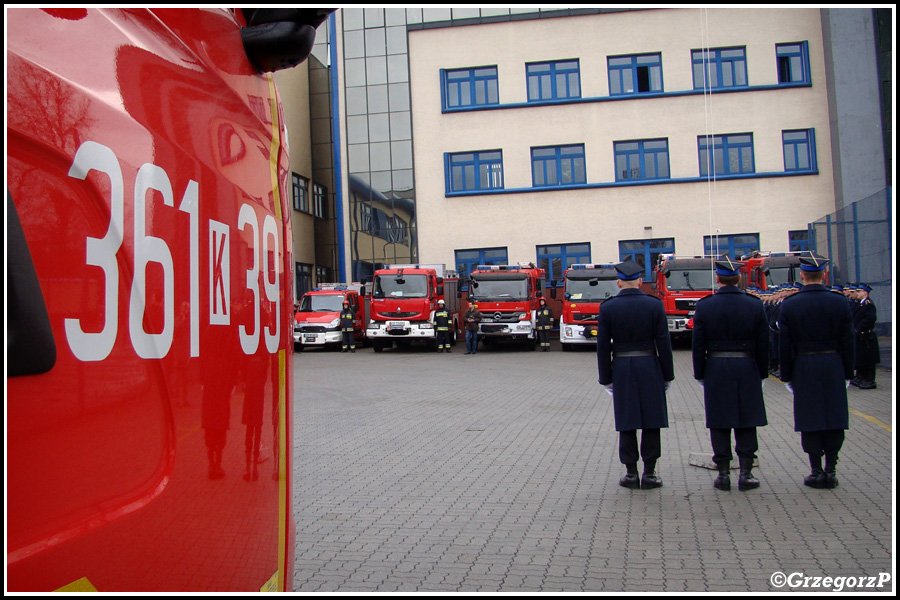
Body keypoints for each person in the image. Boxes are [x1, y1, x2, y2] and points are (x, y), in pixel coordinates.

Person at [692, 257, 769, 491]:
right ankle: (746, 473)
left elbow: (698, 345)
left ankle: (723, 473)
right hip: (747, 366)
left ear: (718, 279)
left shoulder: (705, 305)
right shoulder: (754, 305)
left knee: (719, 420)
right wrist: (763, 373)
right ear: (739, 279)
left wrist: (700, 373)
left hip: (716, 367)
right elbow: (764, 343)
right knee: (747, 419)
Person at [777, 255, 854, 489]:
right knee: (834, 416)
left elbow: (784, 344)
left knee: (810, 418)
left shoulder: (790, 304)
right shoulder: (839, 302)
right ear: (824, 275)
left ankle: (816, 470)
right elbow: (848, 340)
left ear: (802, 275)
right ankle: (831, 469)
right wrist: (848, 372)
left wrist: (787, 375)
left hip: (804, 365)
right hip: (833, 363)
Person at [597, 260, 674, 489]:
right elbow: (664, 342)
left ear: (618, 282)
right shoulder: (654, 305)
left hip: (622, 367)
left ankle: (631, 473)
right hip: (650, 365)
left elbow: (602, 347)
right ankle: (650, 473)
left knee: (627, 420)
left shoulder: (607, 308)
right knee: (652, 420)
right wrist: (667, 375)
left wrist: (606, 378)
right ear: (640, 281)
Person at [851, 283, 880, 389]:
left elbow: (870, 318)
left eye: (859, 291)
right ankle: (862, 376)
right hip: (860, 335)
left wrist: (858, 328)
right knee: (862, 357)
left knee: (869, 358)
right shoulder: (860, 304)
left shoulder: (868, 304)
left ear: (865, 293)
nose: (857, 293)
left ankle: (869, 379)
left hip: (866, 335)